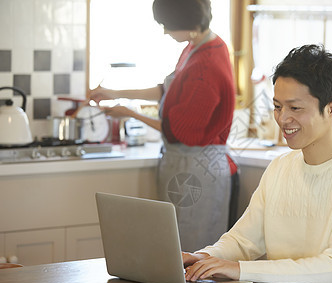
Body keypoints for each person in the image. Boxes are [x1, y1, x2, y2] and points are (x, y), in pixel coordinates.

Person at [182, 44, 332, 283]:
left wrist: (238, 270)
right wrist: (204, 257)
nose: (282, 119)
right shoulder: (281, 166)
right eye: (278, 106)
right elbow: (242, 241)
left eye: (295, 108)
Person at [89, 0, 237, 252]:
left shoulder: (206, 64)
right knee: (175, 247)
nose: (165, 32)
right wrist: (112, 92)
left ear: (188, 24)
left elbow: (180, 131)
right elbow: (165, 90)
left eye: (167, 26)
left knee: (193, 254)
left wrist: (129, 113)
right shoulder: (198, 46)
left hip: (197, 170)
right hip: (185, 165)